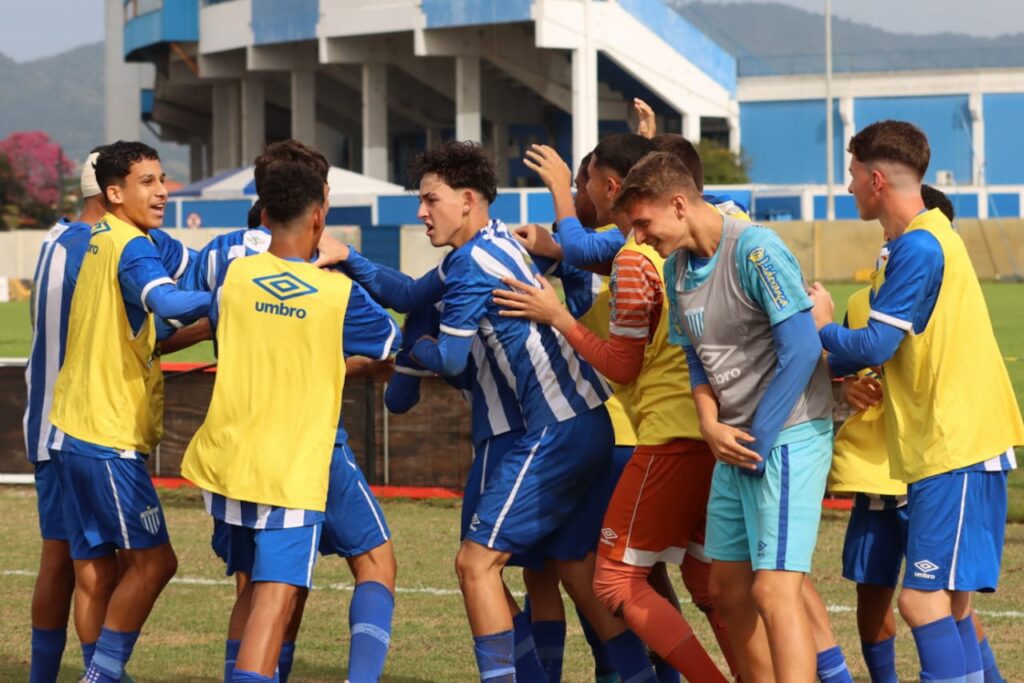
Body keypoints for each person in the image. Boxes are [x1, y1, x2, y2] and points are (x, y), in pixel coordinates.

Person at [495, 135, 729, 682]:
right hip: (707, 432)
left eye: (585, 182)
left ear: (613, 187)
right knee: (703, 582)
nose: (582, 192)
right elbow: (583, 249)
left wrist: (557, 316)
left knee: (611, 578)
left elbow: (622, 365)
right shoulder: (693, 244)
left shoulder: (634, 259)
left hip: (663, 437)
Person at [810, 121, 1023, 682]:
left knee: (921, 601)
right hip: (945, 447)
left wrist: (822, 326)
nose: (849, 187)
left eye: (853, 175)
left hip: (957, 445)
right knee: (947, 604)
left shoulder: (921, 246)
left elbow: (874, 344)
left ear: (876, 180)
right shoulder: (926, 239)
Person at [613, 150, 833, 681]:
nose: (638, 237)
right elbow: (697, 358)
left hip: (787, 437)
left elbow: (803, 349)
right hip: (734, 442)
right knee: (727, 589)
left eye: (642, 223)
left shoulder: (755, 250)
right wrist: (709, 424)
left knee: (774, 591)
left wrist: (757, 438)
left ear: (679, 204)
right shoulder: (676, 270)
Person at [180, 158, 399, 682]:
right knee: (276, 601)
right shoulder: (337, 293)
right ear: (320, 215)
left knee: (251, 587)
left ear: (264, 214)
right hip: (292, 467)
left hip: (228, 460)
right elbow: (390, 345)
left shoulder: (233, 278)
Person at [45, 141, 210, 683]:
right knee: (156, 562)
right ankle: (102, 675)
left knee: (94, 571)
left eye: (162, 179)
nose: (162, 191)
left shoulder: (98, 237)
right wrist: (232, 294)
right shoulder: (134, 246)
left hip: (69, 428)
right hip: (105, 436)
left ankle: (98, 673)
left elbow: (150, 326)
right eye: (147, 182)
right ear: (114, 193)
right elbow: (167, 302)